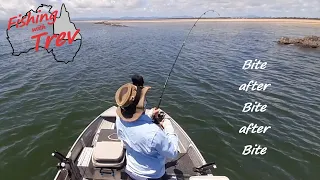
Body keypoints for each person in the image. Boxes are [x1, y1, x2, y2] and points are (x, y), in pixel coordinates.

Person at [115, 78, 179, 180]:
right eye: (143, 98)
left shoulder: (119, 120)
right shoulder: (154, 133)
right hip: (152, 176)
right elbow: (173, 153)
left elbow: (132, 127)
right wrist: (168, 127)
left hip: (131, 170)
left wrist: (149, 115)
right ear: (143, 103)